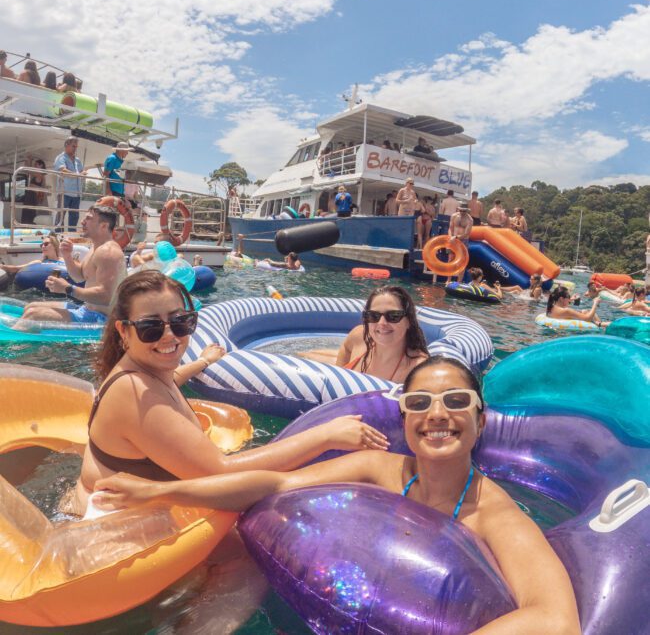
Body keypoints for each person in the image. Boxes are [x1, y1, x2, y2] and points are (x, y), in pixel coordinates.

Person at [94, 355, 581, 635]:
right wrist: (156, 492)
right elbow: (276, 485)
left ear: (480, 418)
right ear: (405, 418)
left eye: (456, 401)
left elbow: (553, 617)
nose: (437, 414)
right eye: (419, 403)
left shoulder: (495, 515)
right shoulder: (380, 469)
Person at [64, 269, 388, 515]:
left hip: (116, 508)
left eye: (181, 322)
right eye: (151, 327)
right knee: (247, 572)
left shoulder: (143, 374)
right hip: (108, 532)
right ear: (123, 330)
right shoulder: (132, 393)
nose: (169, 337)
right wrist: (326, 435)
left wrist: (202, 362)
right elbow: (220, 472)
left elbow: (169, 382)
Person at [16, 205, 127, 327]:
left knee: (33, 315)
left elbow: (106, 296)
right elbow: (79, 276)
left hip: (101, 319)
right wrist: (67, 256)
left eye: (88, 219)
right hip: (87, 309)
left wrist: (67, 289)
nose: (82, 222)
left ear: (104, 226)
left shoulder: (108, 252)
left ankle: (10, 344)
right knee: (31, 306)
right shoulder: (95, 248)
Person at [336, 286, 429, 382]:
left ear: (409, 321)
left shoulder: (418, 369)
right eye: (373, 316)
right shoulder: (358, 337)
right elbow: (336, 380)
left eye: (393, 316)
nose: (382, 323)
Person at [53, 136, 85, 231]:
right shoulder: (60, 158)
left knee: (74, 217)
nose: (75, 148)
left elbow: (82, 172)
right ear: (66, 145)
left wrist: (81, 174)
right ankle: (58, 236)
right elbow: (63, 170)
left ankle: (72, 236)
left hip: (77, 193)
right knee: (60, 216)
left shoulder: (78, 160)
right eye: (73, 146)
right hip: (64, 192)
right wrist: (78, 174)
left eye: (76, 147)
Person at [448, 201, 473, 281]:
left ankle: (459, 282)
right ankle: (448, 280)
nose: (462, 212)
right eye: (461, 210)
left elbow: (466, 234)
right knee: (450, 260)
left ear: (467, 211)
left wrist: (455, 237)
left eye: (464, 211)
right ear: (459, 209)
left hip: (463, 241)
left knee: (462, 263)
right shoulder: (454, 216)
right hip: (453, 240)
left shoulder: (469, 220)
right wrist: (450, 236)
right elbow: (450, 228)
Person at [21, 157, 48, 225]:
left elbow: (29, 171)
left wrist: (29, 160)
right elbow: (28, 171)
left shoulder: (40, 174)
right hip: (30, 196)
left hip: (33, 197)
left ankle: (29, 227)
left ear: (41, 165)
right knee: (27, 212)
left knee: (29, 213)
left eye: (36, 164)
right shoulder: (35, 174)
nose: (34, 166)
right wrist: (28, 162)